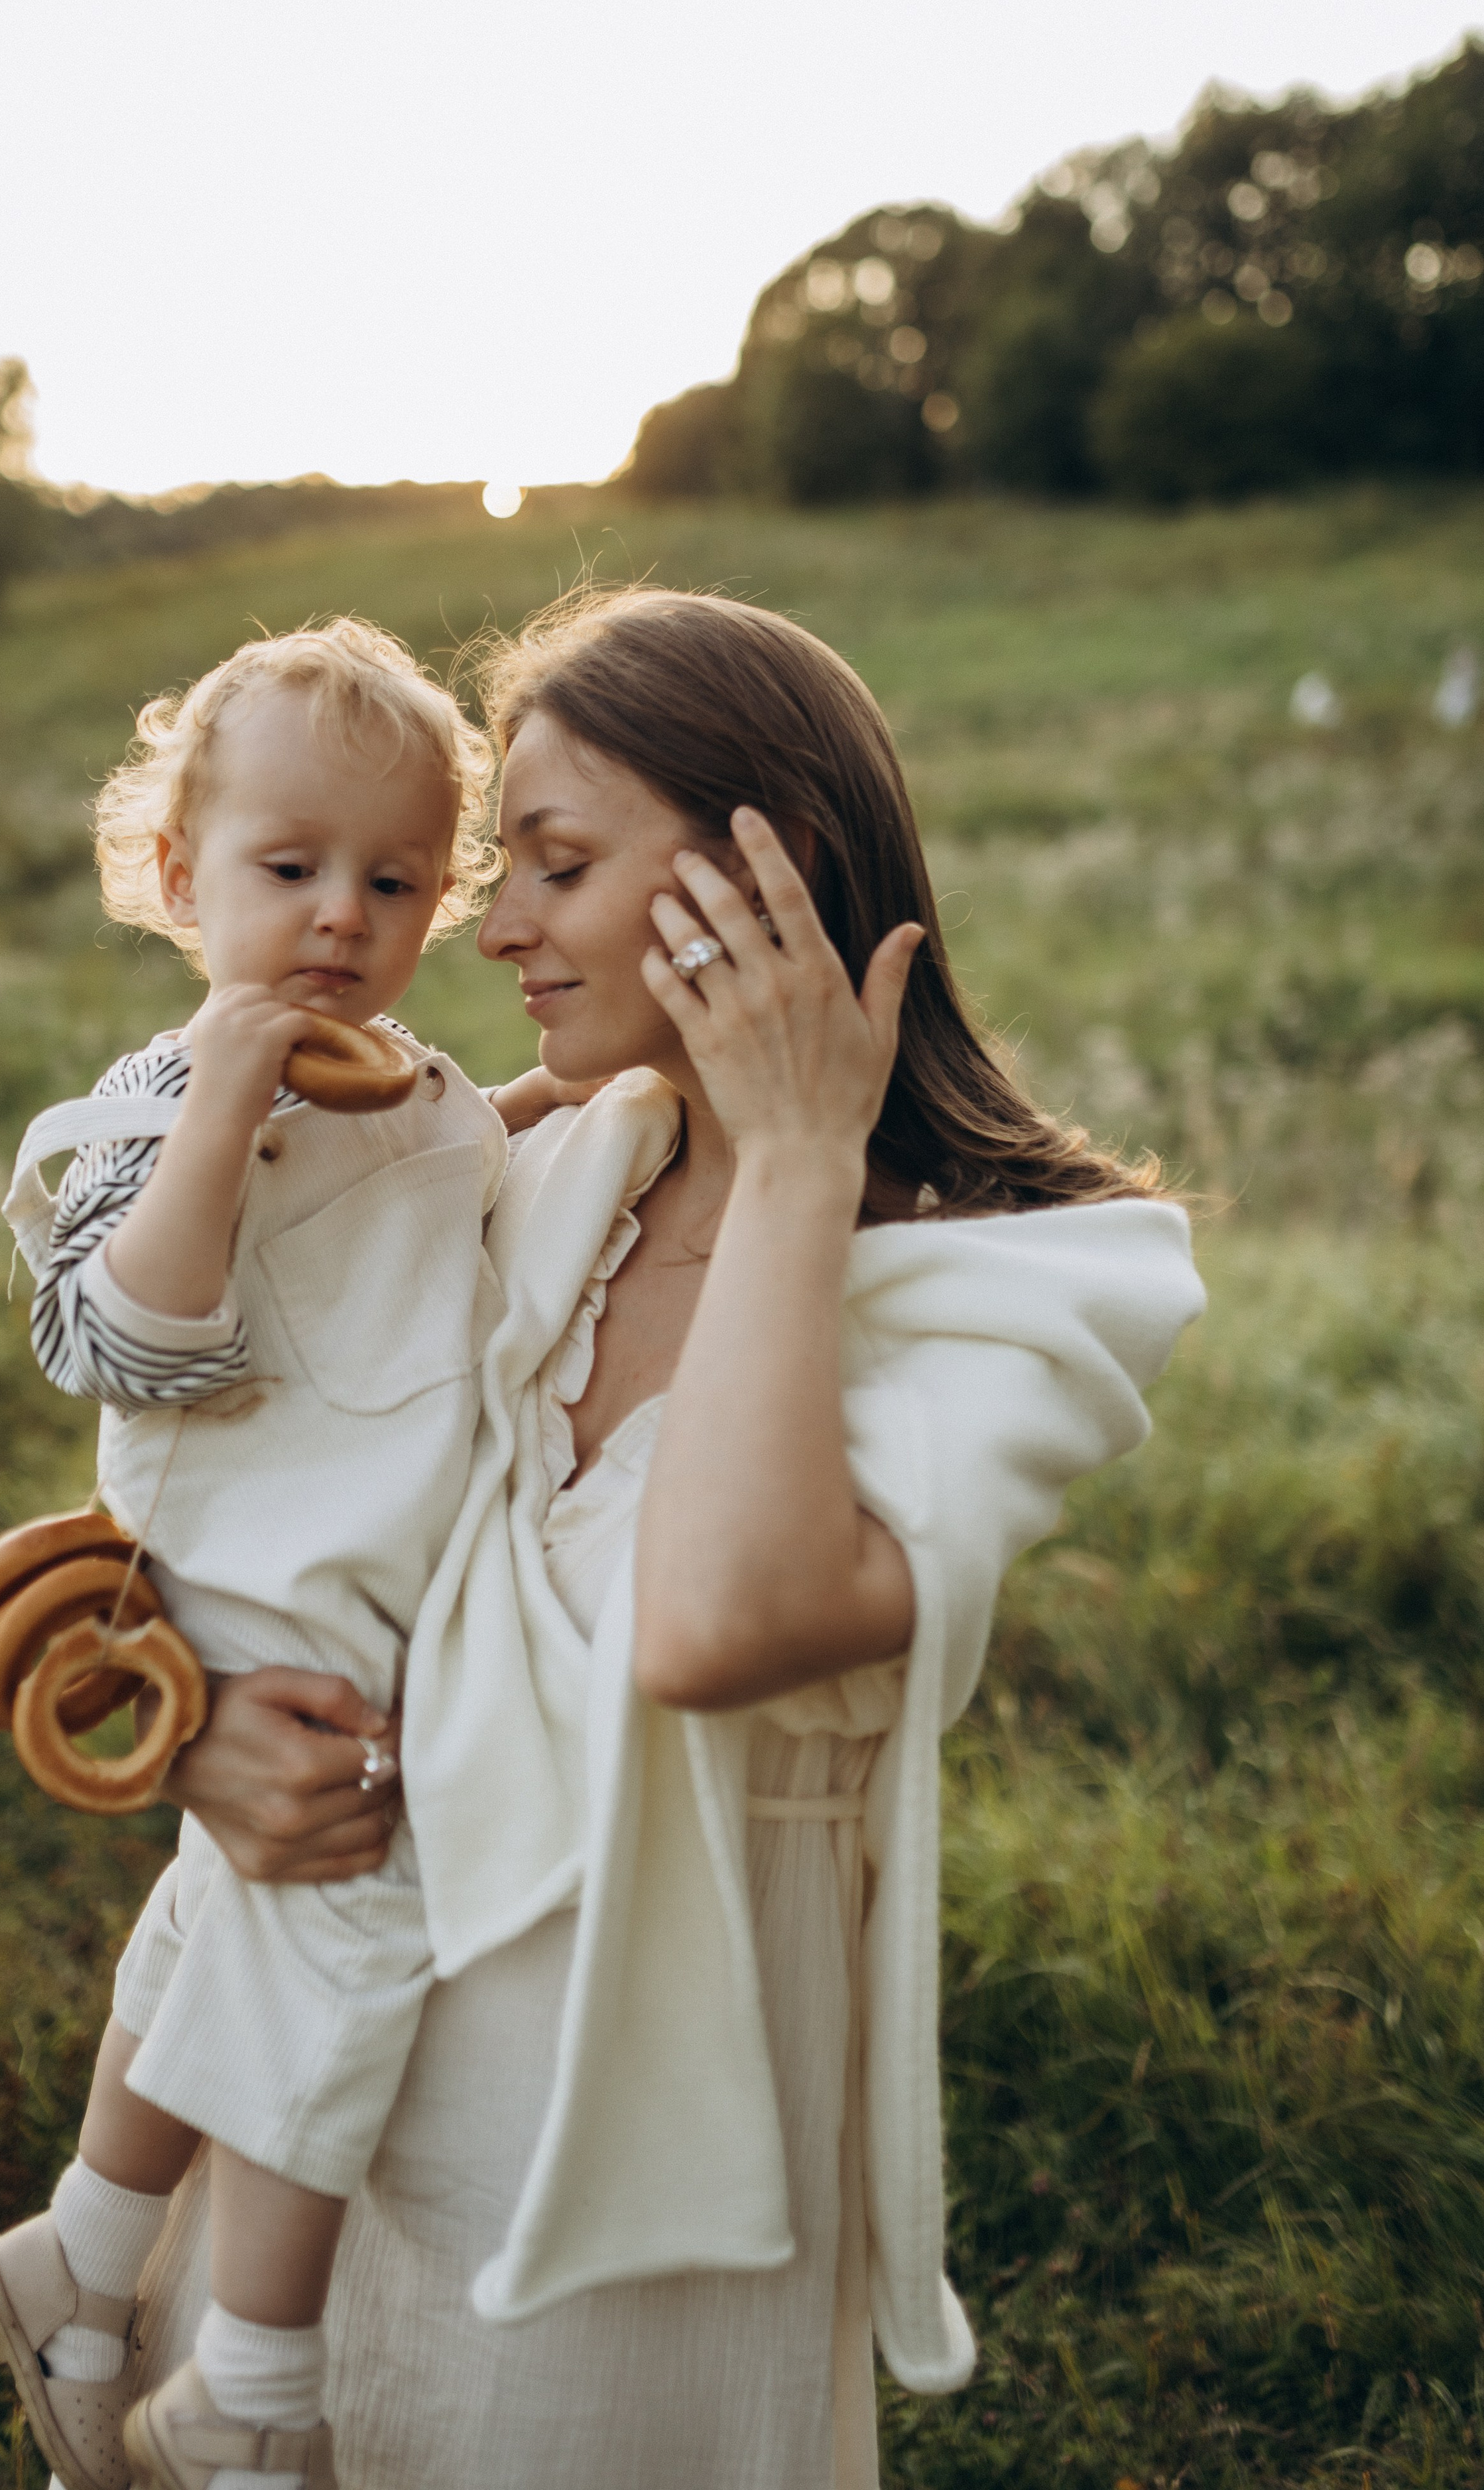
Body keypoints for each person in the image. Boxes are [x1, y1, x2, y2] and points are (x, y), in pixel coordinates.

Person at [131, 588, 1206, 2490]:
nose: (492, 924)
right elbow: (226, 1486)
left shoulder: (1007, 1292)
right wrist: (193, 1724)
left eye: (550, 865)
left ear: (753, 884)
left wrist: (794, 1158)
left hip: (643, 2175)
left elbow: (715, 1623)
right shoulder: (540, 1172)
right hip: (326, 2113)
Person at [0, 619, 572, 2490]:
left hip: (367, 1570)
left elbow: (459, 1198)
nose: (339, 916)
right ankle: (258, 2376)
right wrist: (225, 1112)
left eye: (394, 880)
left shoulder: (419, 1084)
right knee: (353, 1916)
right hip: (252, 1592)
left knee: (238, 1914)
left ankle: (80, 2256)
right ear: (174, 876)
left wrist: (560, 1114)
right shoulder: (170, 1100)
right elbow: (117, 1341)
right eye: (287, 868)